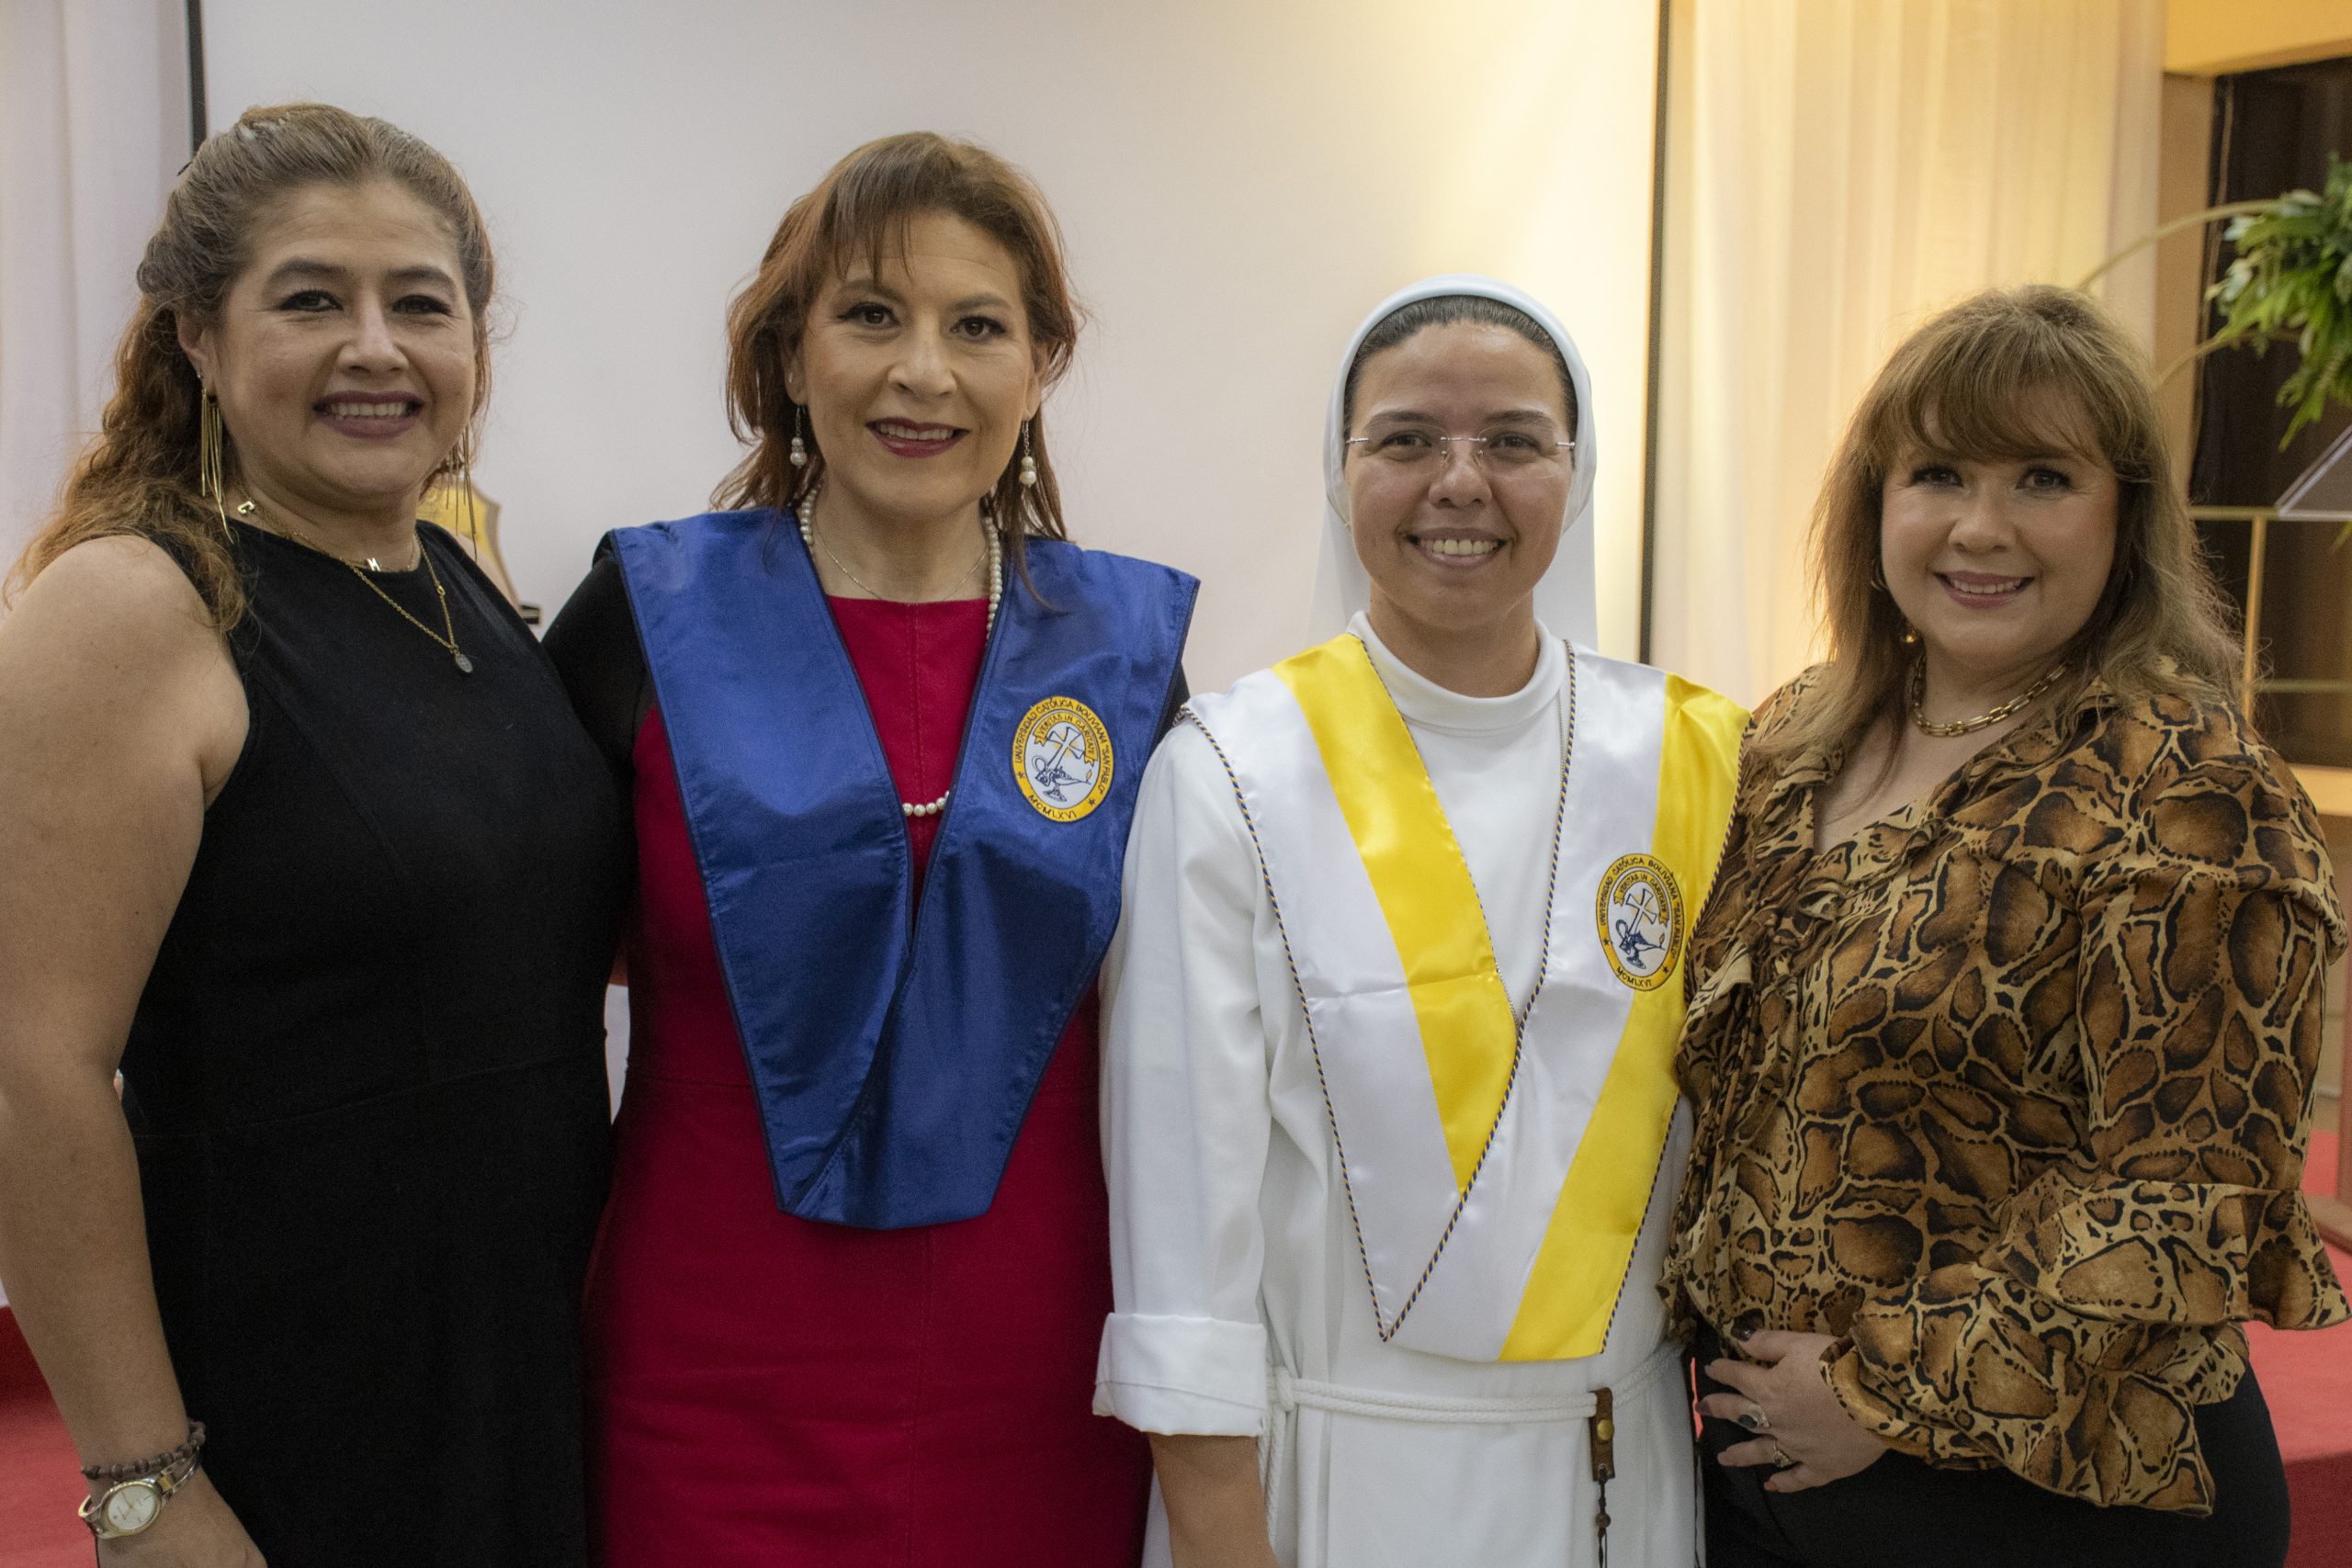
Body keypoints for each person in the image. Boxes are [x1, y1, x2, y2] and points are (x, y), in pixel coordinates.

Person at [542, 131, 1195, 1565]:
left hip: (1045, 1382)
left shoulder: (1129, 661)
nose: (923, 372)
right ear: (791, 356)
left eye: (979, 327)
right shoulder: (644, 622)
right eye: (871, 316)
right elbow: (516, 986)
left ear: (1042, 366)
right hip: (705, 1375)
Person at [0, 104, 627, 1565]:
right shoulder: (134, 606)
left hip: (520, 1380)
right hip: (292, 1411)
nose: (375, 348)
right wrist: (145, 1488)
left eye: (421, 303)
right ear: (200, 341)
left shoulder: (456, 586)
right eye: (309, 301)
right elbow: (34, 1072)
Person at [1663, 285, 2349, 1568]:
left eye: (2043, 478)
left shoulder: (2188, 784)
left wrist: (1881, 1392)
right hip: (1769, 1474)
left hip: (2060, 1497)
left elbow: (2182, 1198)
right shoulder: (1794, 739)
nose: (1981, 527)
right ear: (1874, 505)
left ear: (2124, 519)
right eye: (1938, 474)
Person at [1094, 276, 1747, 1567]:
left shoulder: (1700, 757)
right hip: (1326, 1490)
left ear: (1577, 471)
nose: (1460, 482)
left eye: (1513, 441)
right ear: (1339, 473)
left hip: (1621, 1484)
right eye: (1405, 440)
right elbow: (1181, 1231)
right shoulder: (1232, 770)